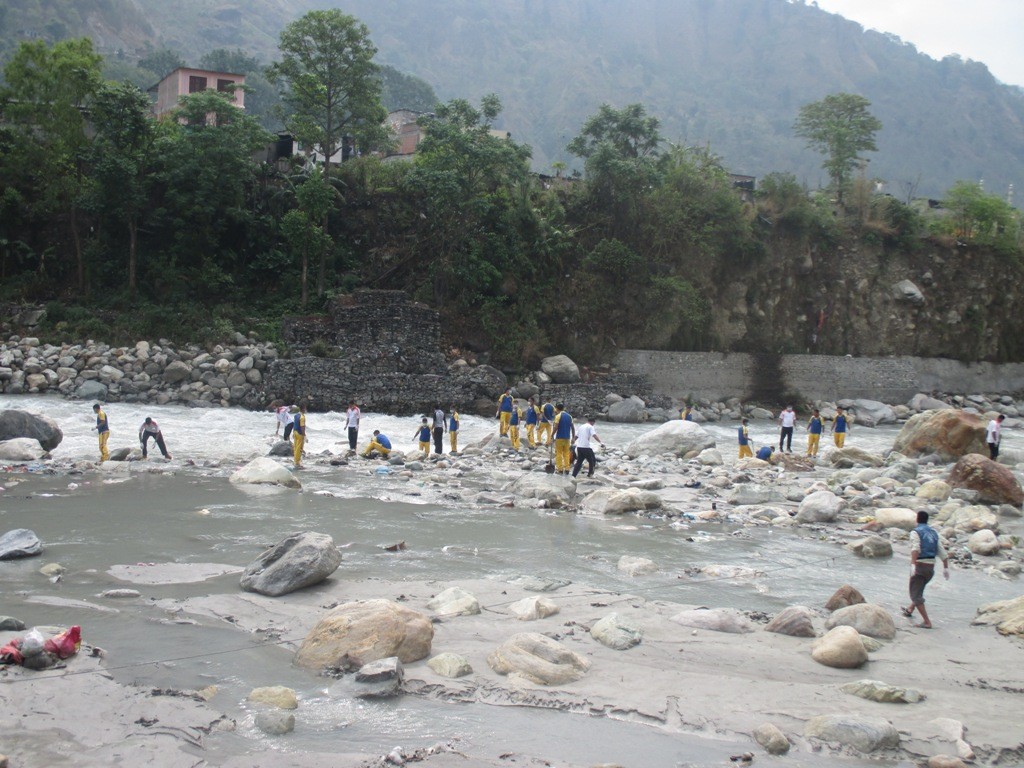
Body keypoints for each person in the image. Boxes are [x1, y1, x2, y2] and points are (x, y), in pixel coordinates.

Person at [902, 511, 950, 629]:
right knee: (919, 590)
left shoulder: (916, 532)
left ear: (917, 519)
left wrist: (913, 564)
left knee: (915, 594)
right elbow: (942, 552)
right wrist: (945, 568)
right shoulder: (933, 533)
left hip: (920, 566)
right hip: (930, 569)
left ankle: (927, 622)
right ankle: (910, 609)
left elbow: (916, 548)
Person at [552, 403, 575, 475]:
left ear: (557, 409)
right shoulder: (569, 416)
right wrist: (573, 437)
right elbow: (573, 428)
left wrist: (552, 435)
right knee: (566, 453)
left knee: (558, 453)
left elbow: (556, 427)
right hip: (567, 438)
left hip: (559, 437)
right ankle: (567, 469)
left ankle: (560, 469)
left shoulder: (558, 416)